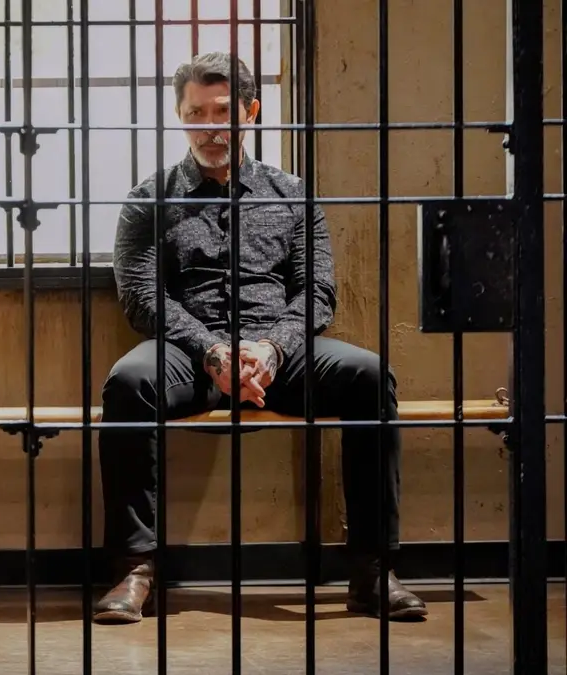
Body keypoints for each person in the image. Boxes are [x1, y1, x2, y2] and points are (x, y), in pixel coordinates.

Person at [93, 52, 427, 625]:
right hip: (188, 351)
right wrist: (212, 351)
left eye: (222, 112)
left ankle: (373, 572)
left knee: (370, 376)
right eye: (195, 113)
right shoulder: (149, 197)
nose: (209, 127)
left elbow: (317, 292)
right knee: (128, 384)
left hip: (281, 352)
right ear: (179, 116)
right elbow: (143, 297)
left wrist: (271, 348)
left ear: (251, 112)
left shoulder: (291, 192)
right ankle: (136, 570)